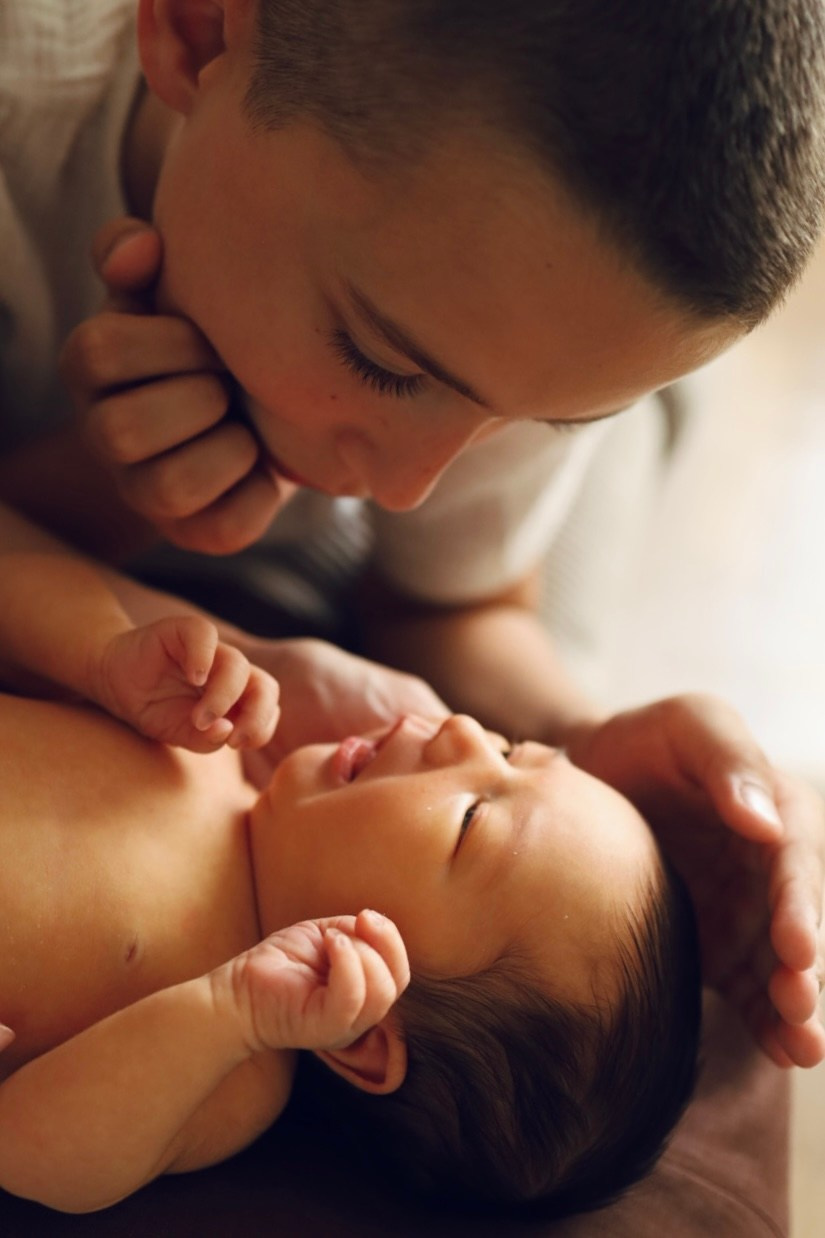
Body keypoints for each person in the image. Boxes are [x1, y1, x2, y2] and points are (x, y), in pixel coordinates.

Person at [1, 0, 824, 1070]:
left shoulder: (523, 304)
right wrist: (91, 495)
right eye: (388, 361)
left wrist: (569, 740)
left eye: (540, 418)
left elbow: (450, 602)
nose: (406, 486)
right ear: (199, 32)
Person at [0, 512, 702, 1218]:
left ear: (363, 1035)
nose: (460, 731)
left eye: (470, 820)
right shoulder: (206, 732)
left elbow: (29, 1153)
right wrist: (100, 650)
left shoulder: (232, 1069)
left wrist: (229, 1012)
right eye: (511, 748)